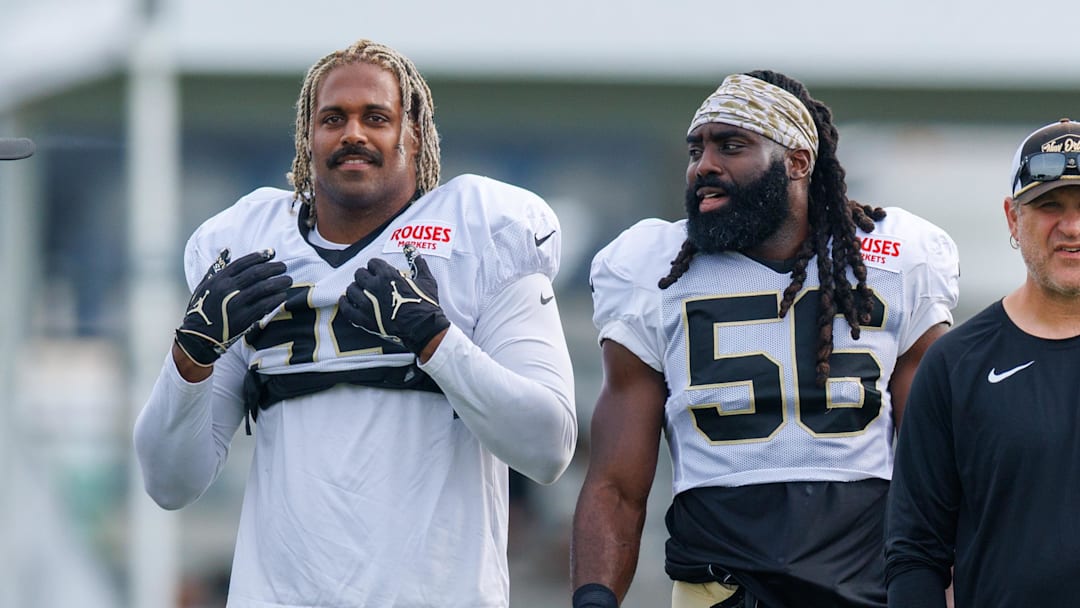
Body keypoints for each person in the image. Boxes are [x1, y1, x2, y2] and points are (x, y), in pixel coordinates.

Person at [133, 39, 577, 608]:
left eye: (377, 117)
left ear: (413, 135)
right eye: (332, 119)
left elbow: (548, 447)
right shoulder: (247, 251)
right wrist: (189, 358)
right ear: (307, 137)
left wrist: (436, 341)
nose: (353, 134)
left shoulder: (481, 236)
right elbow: (169, 483)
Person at [570, 71, 960, 608]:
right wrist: (594, 598)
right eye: (696, 149)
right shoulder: (650, 269)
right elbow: (616, 483)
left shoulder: (895, 259)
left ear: (798, 162)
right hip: (720, 589)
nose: (704, 165)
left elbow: (940, 468)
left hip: (870, 584)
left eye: (732, 146)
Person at [885, 118, 1080, 607]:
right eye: (1049, 205)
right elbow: (915, 554)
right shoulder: (957, 365)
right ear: (1013, 218)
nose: (1072, 226)